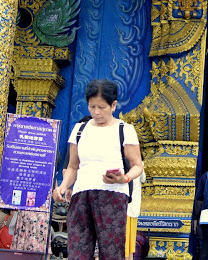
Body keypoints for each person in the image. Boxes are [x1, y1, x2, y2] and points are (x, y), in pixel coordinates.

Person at [53, 79, 143, 259]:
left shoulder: (124, 129)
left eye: (101, 107)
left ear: (113, 105)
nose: (96, 112)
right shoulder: (79, 129)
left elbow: (137, 165)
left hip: (113, 196)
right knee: (77, 251)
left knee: (111, 252)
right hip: (81, 196)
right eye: (92, 106)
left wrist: (123, 178)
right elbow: (73, 166)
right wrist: (63, 187)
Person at [126, 163, 146, 260]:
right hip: (126, 207)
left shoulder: (139, 165)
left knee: (130, 243)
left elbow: (143, 179)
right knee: (127, 242)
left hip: (132, 207)